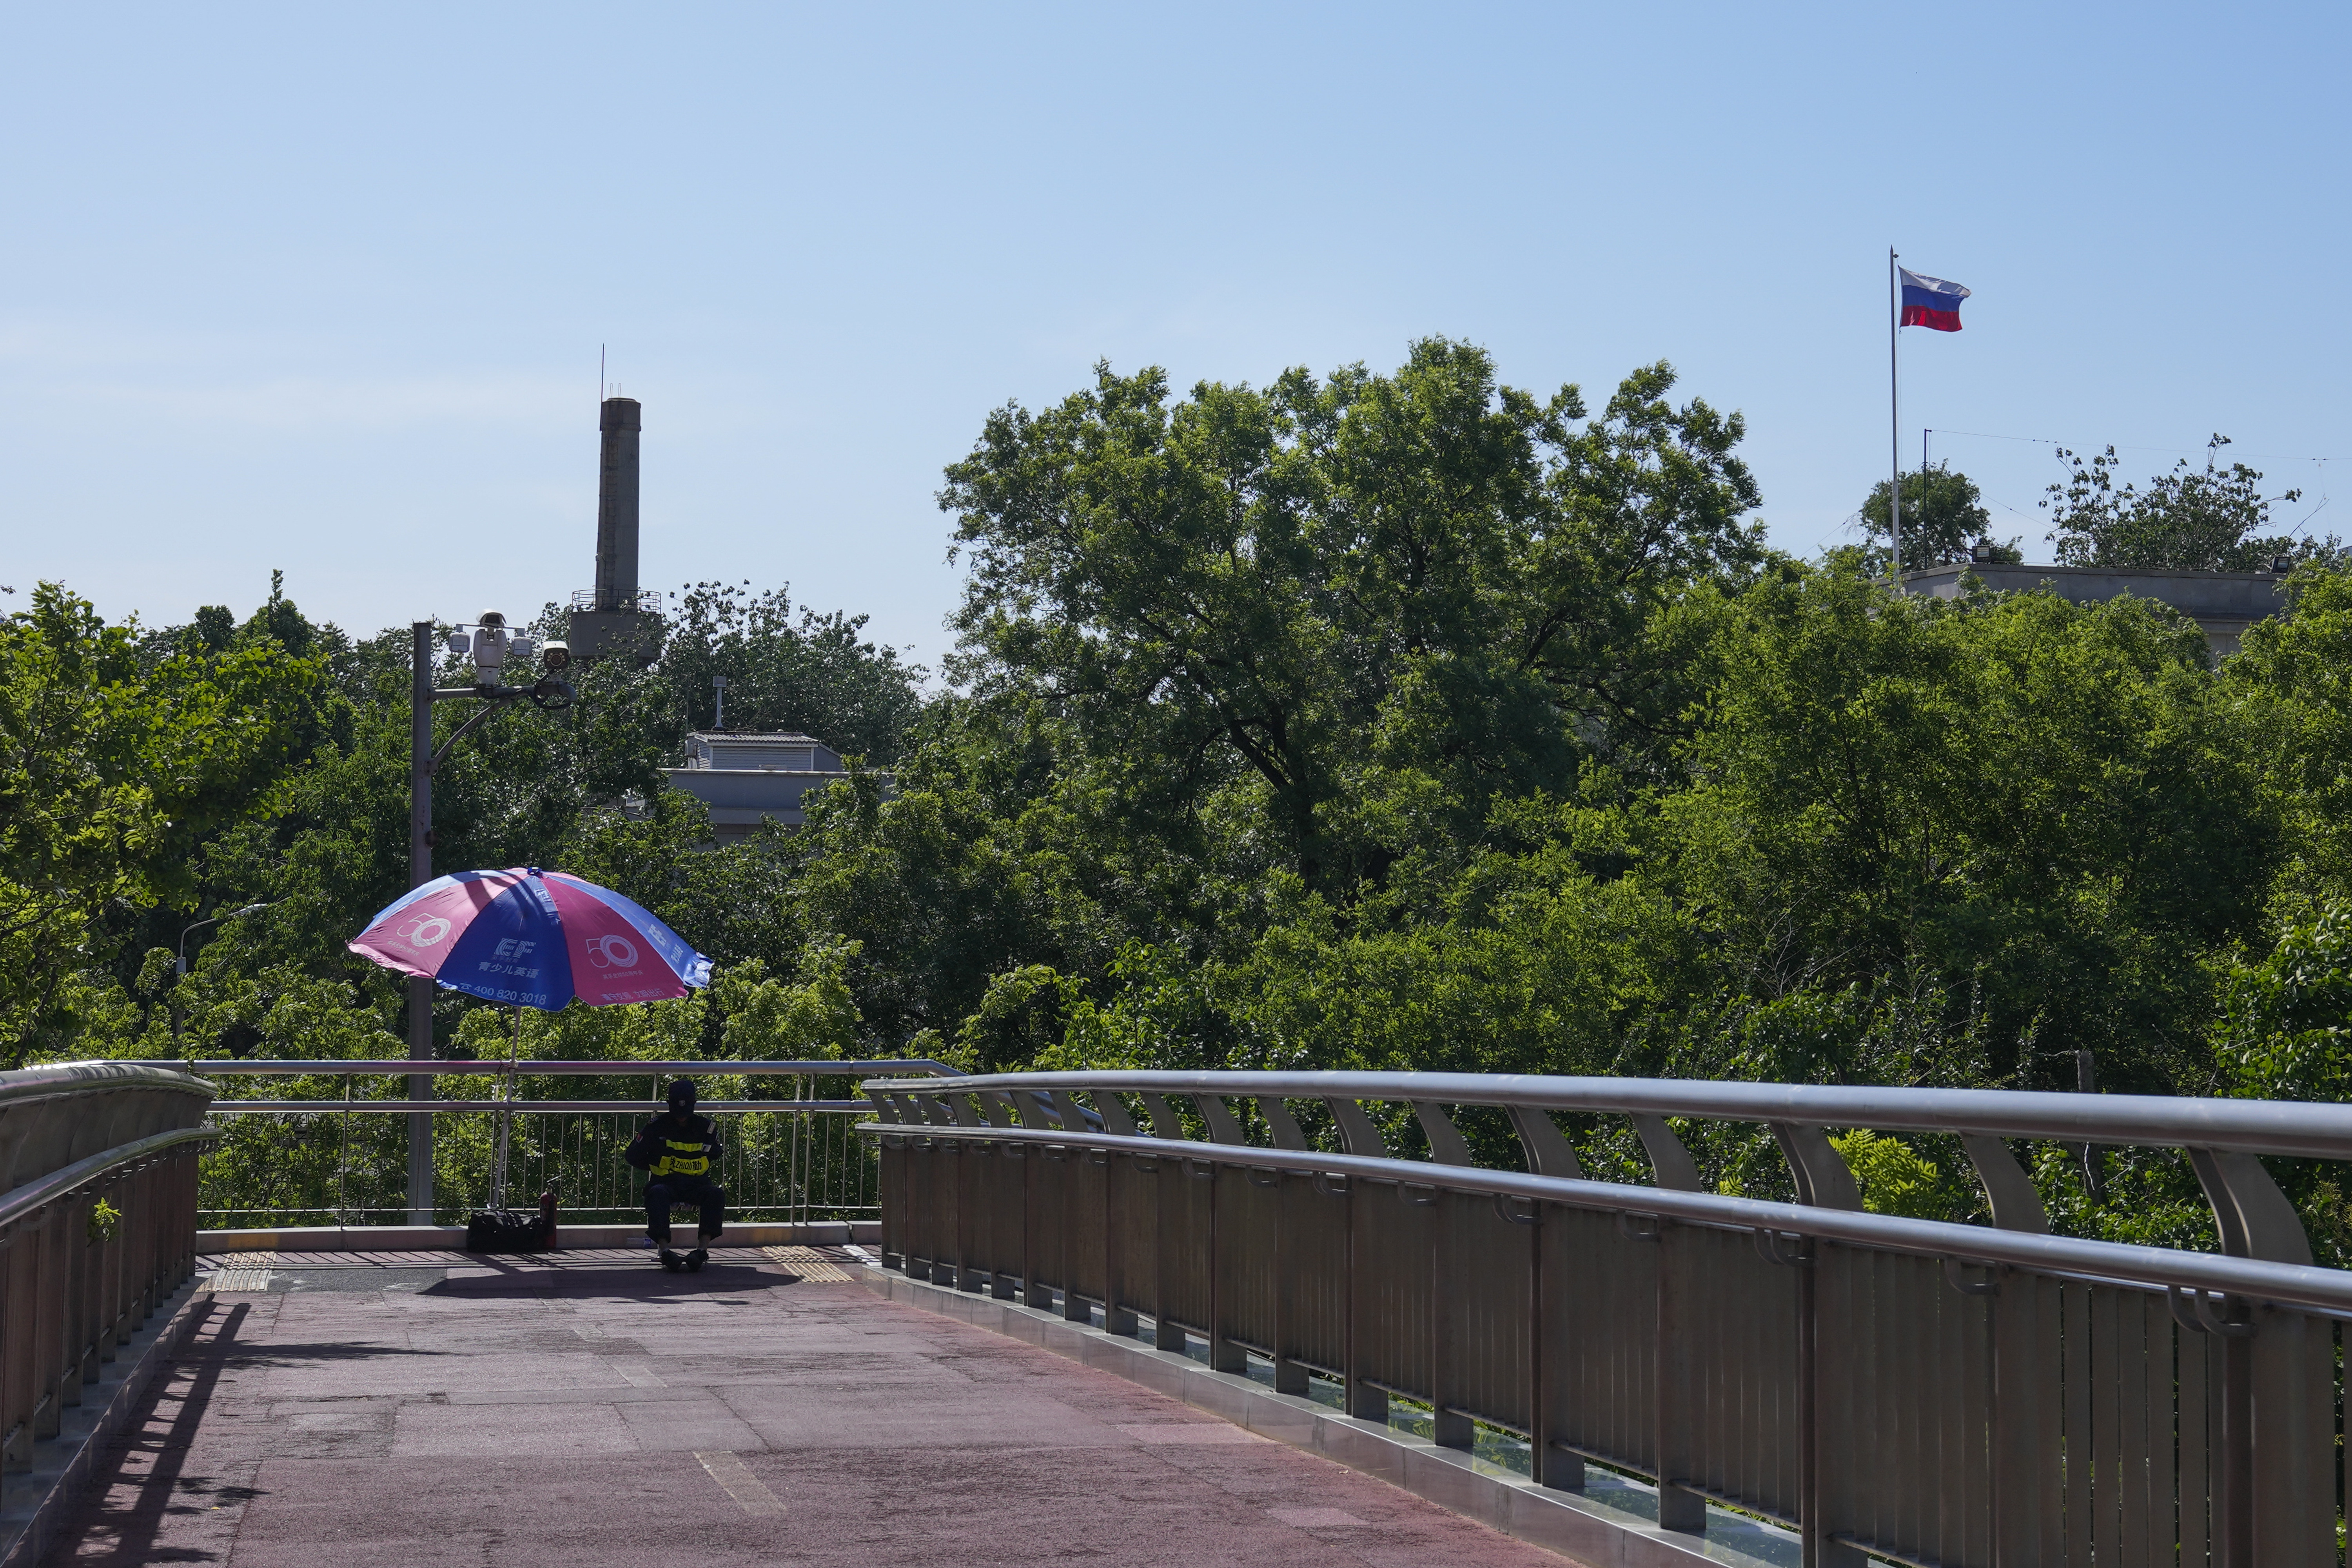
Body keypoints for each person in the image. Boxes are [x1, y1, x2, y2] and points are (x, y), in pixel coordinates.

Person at [626, 1079, 726, 1272]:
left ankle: (702, 1251)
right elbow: (632, 1155)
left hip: (697, 1185)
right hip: (666, 1184)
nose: (681, 1118)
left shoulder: (707, 1128)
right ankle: (665, 1252)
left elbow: (714, 1155)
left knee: (716, 1195)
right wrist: (655, 1165)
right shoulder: (656, 1127)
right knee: (657, 1195)